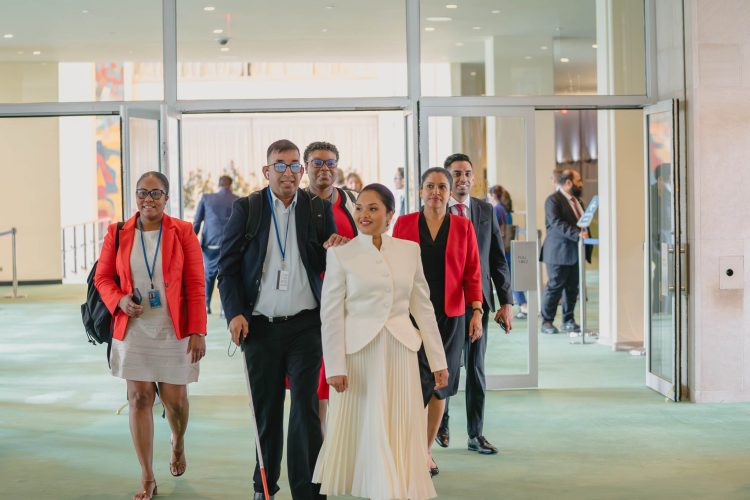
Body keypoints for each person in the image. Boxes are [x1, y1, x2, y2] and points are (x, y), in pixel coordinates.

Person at [218, 139, 349, 500]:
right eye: (280, 165)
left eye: (294, 166)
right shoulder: (249, 208)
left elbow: (325, 261)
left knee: (306, 408)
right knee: (267, 409)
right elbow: (226, 269)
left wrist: (336, 247)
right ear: (266, 170)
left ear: (301, 172)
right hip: (258, 327)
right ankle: (264, 485)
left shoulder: (318, 208)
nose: (288, 172)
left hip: (306, 326)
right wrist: (234, 314)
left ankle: (308, 490)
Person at [313, 184, 449, 500]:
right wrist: (334, 365)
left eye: (373, 208)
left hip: (401, 352)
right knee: (367, 429)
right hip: (359, 357)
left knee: (399, 426)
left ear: (390, 215)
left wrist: (438, 361)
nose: (364, 214)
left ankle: (394, 490)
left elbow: (423, 308)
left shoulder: (408, 250)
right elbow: (331, 315)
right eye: (359, 207)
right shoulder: (340, 255)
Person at [95, 171, 207, 500]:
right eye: (142, 192)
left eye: (156, 193)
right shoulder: (117, 233)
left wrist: (198, 330)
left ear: (167, 198)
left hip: (175, 328)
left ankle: (177, 443)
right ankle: (147, 476)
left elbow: (196, 285)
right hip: (134, 328)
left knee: (175, 402)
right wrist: (120, 300)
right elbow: (103, 278)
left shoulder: (184, 232)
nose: (148, 199)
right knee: (139, 398)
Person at [392, 167, 483, 477]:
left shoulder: (463, 226)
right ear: (420, 191)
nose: (435, 192)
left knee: (439, 386)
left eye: (441, 186)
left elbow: (472, 271)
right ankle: (410, 447)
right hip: (410, 317)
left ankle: (426, 451)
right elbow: (391, 268)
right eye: (429, 186)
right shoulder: (403, 224)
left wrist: (477, 311)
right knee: (415, 385)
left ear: (449, 192)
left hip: (450, 317)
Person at [438, 154, 513, 456]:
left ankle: (475, 434)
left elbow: (497, 259)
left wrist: (506, 301)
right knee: (442, 368)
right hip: (443, 304)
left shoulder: (485, 210)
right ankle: (440, 423)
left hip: (477, 303)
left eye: (467, 173)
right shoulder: (434, 209)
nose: (463, 179)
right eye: (456, 174)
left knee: (476, 370)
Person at [303, 140, 358, 431]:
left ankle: (344, 442)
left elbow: (368, 245)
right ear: (306, 167)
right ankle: (319, 446)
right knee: (315, 375)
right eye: (317, 163)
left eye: (330, 163)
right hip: (311, 300)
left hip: (350, 302)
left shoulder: (352, 201)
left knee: (346, 373)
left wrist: (346, 246)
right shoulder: (295, 203)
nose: (324, 169)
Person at [539, 168, 593, 334]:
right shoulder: (553, 200)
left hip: (576, 252)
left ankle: (568, 320)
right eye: (578, 181)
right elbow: (556, 223)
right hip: (558, 253)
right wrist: (578, 235)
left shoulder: (578, 201)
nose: (581, 184)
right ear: (568, 183)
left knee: (572, 289)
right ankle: (547, 321)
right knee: (555, 287)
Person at [193, 174, 239, 315]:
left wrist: (190, 242)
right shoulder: (238, 200)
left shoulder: (206, 198)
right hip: (230, 246)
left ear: (219, 185)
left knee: (209, 276)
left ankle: (206, 305)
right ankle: (224, 308)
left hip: (210, 245)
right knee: (227, 276)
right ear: (230, 186)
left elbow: (197, 222)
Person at [488, 184, 529, 319]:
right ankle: (522, 303)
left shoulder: (495, 209)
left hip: (501, 249)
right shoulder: (505, 210)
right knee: (511, 276)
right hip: (508, 247)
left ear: (493, 196)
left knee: (509, 279)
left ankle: (523, 304)